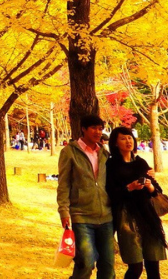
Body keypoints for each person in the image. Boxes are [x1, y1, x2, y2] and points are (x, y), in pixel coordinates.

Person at [57, 114, 115, 279]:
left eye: (100, 128)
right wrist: (64, 210)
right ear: (83, 129)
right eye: (94, 128)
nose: (98, 132)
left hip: (106, 216)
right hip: (81, 216)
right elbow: (63, 184)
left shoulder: (103, 152)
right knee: (86, 262)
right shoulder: (70, 152)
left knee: (108, 267)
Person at [106, 127, 168, 279]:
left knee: (153, 265)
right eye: (123, 138)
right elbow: (110, 192)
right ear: (115, 143)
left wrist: (149, 185)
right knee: (136, 267)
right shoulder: (111, 165)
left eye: (130, 137)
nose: (128, 141)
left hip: (147, 215)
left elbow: (156, 190)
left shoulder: (140, 162)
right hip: (126, 217)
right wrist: (129, 187)